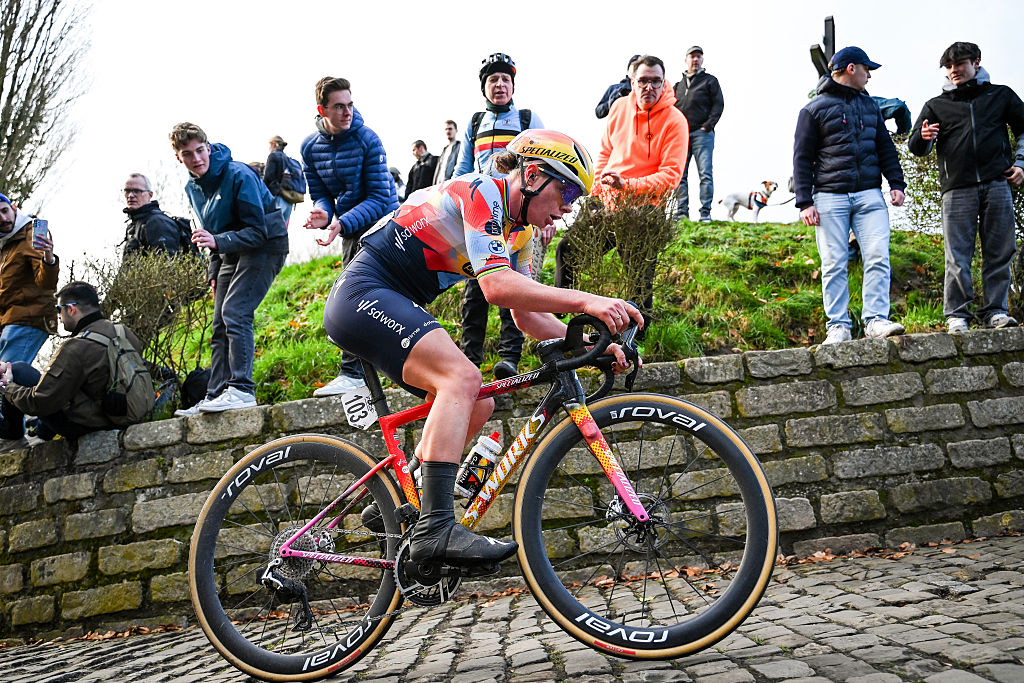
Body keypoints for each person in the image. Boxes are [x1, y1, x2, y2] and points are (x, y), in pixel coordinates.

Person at [323, 129, 643, 569]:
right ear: (531, 175)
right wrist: (586, 300)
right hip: (362, 294)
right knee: (463, 377)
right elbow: (495, 287)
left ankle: (397, 504)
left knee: (477, 403)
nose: (570, 205)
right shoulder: (483, 192)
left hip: (387, 301)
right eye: (567, 189)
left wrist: (591, 343)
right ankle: (435, 529)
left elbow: (525, 312)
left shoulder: (522, 233)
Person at [169, 122, 288, 414]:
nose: (197, 158)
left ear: (208, 148)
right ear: (179, 158)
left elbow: (258, 231)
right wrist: (213, 272)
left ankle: (242, 389)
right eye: (188, 154)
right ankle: (216, 393)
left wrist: (218, 241)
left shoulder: (238, 174)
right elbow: (209, 232)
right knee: (219, 323)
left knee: (235, 311)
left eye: (200, 150)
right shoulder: (192, 187)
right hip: (228, 251)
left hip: (264, 244)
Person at [555, 54, 689, 314]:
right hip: (607, 203)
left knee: (638, 273)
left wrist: (627, 186)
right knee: (568, 250)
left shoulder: (675, 121)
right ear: (632, 80)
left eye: (656, 81)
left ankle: (636, 338)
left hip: (645, 209)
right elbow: (605, 154)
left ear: (664, 83)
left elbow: (671, 176)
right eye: (643, 81)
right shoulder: (618, 108)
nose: (649, 87)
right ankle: (559, 323)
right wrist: (596, 193)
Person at [793, 46, 908, 345]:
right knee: (833, 263)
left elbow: (885, 148)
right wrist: (805, 201)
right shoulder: (813, 110)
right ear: (851, 68)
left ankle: (875, 321)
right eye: (867, 69)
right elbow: (802, 158)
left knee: (878, 257)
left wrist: (897, 183)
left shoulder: (870, 107)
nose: (870, 74)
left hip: (870, 196)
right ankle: (839, 327)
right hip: (829, 198)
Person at [908, 41, 1024, 332]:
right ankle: (957, 315)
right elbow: (916, 147)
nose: (953, 70)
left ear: (976, 62)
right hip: (956, 188)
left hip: (997, 182)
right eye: (948, 66)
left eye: (959, 64)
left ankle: (996, 311)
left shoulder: (1001, 95)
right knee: (957, 255)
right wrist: (924, 136)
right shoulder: (936, 105)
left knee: (1000, 251)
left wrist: (1021, 162)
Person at [301, 76, 399, 397]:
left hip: (384, 222)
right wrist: (322, 213)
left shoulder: (368, 139)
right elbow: (321, 195)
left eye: (350, 104)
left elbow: (378, 196)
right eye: (339, 106)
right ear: (322, 109)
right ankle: (358, 374)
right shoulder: (309, 148)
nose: (347, 112)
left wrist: (339, 223)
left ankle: (359, 372)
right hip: (347, 226)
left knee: (359, 294)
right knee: (351, 296)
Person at [454, 53, 544, 380]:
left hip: (515, 216)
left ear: (513, 85)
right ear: (485, 87)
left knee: (513, 285)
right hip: (479, 217)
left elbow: (545, 171)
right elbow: (462, 169)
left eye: (506, 79)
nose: (500, 85)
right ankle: (468, 362)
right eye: (494, 80)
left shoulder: (527, 118)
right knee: (474, 293)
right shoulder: (475, 123)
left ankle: (509, 358)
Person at [0, 281, 145, 448]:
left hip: (91, 425)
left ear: (71, 309)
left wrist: (8, 385)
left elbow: (41, 401)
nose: (59, 317)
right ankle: (40, 433)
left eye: (58, 310)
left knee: (19, 370)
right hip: (125, 415)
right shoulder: (123, 332)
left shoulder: (76, 347)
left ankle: (11, 439)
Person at [0, 193, 58, 366]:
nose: (3, 219)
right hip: (10, 321)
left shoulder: (29, 236)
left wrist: (49, 257)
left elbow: (46, 283)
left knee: (7, 380)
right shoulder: (6, 244)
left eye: (5, 211)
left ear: (14, 208)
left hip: (28, 319)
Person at [672, 46, 724, 222]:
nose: (696, 59)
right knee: (680, 175)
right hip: (681, 137)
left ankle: (705, 213)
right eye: (692, 56)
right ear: (686, 59)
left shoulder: (710, 81)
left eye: (699, 56)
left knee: (705, 174)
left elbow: (719, 105)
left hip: (702, 134)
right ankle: (681, 213)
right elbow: (669, 109)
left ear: (702, 60)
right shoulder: (677, 86)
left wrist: (707, 126)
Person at [121, 173, 183, 257]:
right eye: (127, 191)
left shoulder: (157, 222)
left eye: (137, 191)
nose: (131, 195)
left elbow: (167, 263)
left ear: (150, 195)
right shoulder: (136, 224)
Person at [263, 136, 296, 228]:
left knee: (272, 227)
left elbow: (268, 177)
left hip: (277, 196)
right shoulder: (288, 158)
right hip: (289, 197)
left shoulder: (273, 156)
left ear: (273, 144)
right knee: (283, 228)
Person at [595, 54, 640, 119]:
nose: (636, 69)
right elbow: (599, 112)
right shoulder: (614, 89)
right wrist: (615, 99)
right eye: (634, 65)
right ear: (628, 70)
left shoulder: (650, 88)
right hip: (619, 125)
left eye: (639, 66)